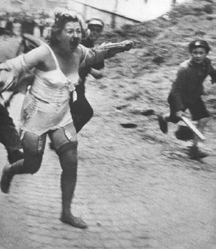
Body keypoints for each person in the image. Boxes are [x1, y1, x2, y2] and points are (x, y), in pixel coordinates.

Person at [0, 11, 133, 229]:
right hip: (36, 116)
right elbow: (16, 65)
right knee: (33, 165)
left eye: (78, 31)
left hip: (61, 116)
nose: (75, 35)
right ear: (58, 33)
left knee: (71, 162)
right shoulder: (44, 52)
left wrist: (120, 47)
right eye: (69, 31)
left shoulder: (79, 52)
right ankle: (10, 170)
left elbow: (96, 54)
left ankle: (66, 212)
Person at [158, 39, 216, 159]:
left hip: (195, 96)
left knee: (203, 119)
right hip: (179, 97)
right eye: (195, 52)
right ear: (191, 53)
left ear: (206, 53)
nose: (198, 55)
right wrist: (179, 108)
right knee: (175, 118)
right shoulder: (184, 68)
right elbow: (175, 90)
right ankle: (164, 117)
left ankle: (194, 149)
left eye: (201, 52)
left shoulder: (206, 64)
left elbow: (212, 72)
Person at [70, 18, 105, 133]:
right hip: (68, 83)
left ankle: (62, 139)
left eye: (98, 30)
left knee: (77, 112)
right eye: (92, 29)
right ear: (86, 29)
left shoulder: (91, 45)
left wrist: (101, 52)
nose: (94, 32)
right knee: (85, 112)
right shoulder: (78, 42)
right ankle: (63, 139)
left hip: (79, 86)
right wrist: (90, 70)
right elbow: (73, 60)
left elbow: (99, 66)